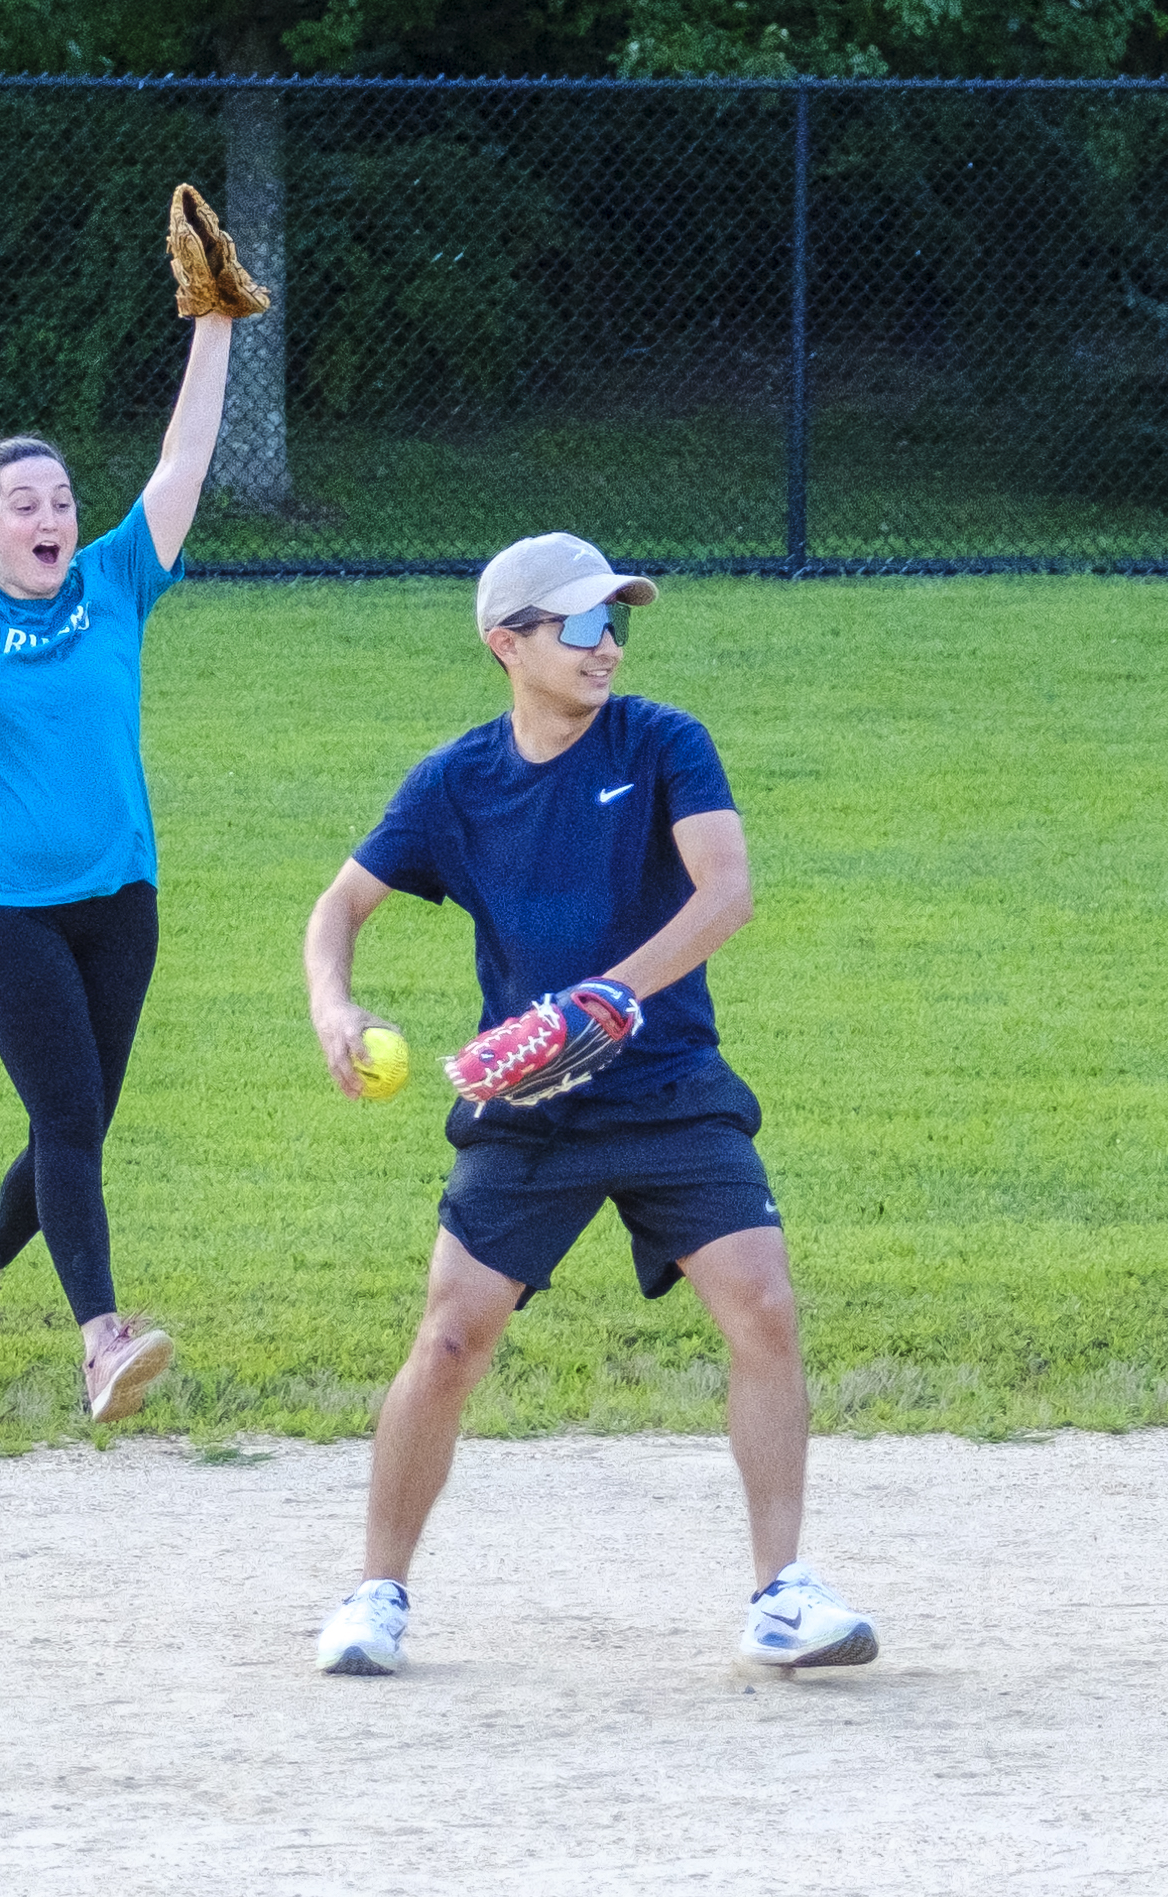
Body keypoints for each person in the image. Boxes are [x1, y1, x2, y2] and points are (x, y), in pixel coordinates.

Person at [300, 530, 877, 1679]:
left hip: (666, 1086)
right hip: (533, 1104)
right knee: (449, 1338)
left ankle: (779, 1594)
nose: (603, 643)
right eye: (575, 624)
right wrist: (334, 1006)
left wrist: (612, 995)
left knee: (762, 1306)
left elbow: (726, 893)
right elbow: (339, 905)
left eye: (613, 621)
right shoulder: (456, 782)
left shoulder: (661, 743)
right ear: (504, 644)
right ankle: (374, 1593)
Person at [0, 228, 237, 1424]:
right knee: (68, 1117)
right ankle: (100, 1339)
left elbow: (183, 455)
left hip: (119, 895)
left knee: (76, 1122)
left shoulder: (114, 580)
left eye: (60, 499)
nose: (49, 514)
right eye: (24, 503)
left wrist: (214, 321)